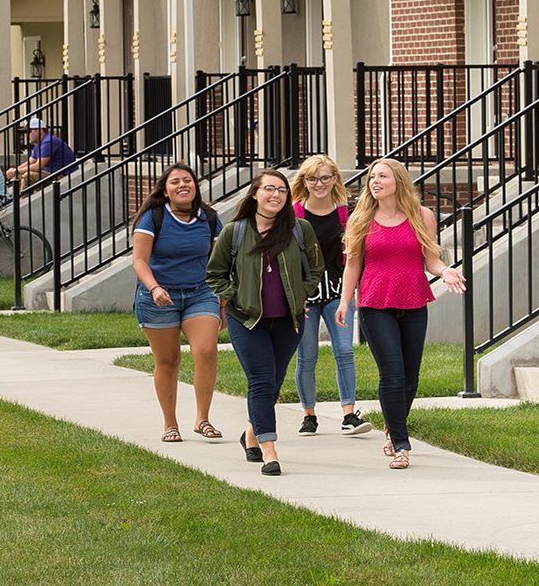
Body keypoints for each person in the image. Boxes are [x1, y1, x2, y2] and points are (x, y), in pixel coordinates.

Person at [336, 157, 464, 470]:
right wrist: (344, 301)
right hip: (375, 304)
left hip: (413, 301)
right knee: (391, 372)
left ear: (398, 182)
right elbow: (353, 263)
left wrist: (445, 271)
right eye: (371, 178)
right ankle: (400, 442)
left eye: (382, 176)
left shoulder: (422, 215)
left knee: (410, 377)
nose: (374, 182)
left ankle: (392, 425)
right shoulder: (361, 218)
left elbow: (431, 259)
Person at [206, 169, 323, 477]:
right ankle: (269, 450)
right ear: (255, 194)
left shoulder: (300, 230)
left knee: (272, 384)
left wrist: (301, 295)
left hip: (288, 322)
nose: (276, 195)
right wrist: (234, 297)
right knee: (260, 381)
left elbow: (315, 269)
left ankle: (250, 434)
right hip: (246, 321)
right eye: (269, 189)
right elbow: (214, 274)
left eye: (282, 190)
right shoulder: (236, 232)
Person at [130, 164, 226, 444]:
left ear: (195, 186)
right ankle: (170, 424)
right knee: (168, 361)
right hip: (159, 297)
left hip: (200, 292)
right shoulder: (153, 218)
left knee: (207, 350)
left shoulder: (208, 219)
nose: (183, 185)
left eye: (188, 180)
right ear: (166, 189)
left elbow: (218, 263)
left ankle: (202, 419)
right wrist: (154, 287)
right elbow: (139, 261)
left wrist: (222, 304)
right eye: (175, 182)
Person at [289, 155, 370, 436]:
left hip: (337, 292)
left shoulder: (345, 212)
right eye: (312, 179)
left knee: (345, 351)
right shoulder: (295, 213)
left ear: (335, 178)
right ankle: (309, 415)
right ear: (304, 182)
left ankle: (349, 414)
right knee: (307, 355)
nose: (319, 184)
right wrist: (295, 296)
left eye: (325, 178)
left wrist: (349, 296)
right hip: (305, 297)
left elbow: (354, 254)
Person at [6, 117, 75, 185]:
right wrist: (15, 170)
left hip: (61, 175)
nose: (27, 135)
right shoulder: (38, 143)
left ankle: (23, 196)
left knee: (28, 176)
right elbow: (30, 161)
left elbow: (37, 167)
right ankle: (21, 195)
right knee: (21, 174)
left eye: (29, 131)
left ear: (40, 130)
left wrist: (16, 171)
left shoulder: (48, 142)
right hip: (50, 173)